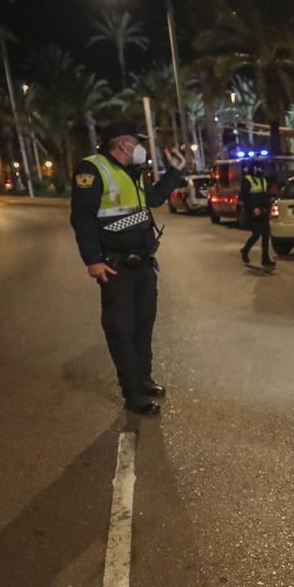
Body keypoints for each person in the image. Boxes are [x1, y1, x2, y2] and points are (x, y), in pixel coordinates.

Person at [69, 121, 186, 416]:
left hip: (143, 262)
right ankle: (132, 393)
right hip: (114, 265)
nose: (141, 148)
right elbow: (82, 217)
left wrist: (176, 172)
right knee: (121, 329)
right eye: (137, 141)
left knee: (144, 324)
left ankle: (143, 378)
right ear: (122, 143)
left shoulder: (131, 173)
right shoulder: (92, 169)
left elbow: (154, 199)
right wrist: (92, 260)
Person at [239, 160, 275, 267]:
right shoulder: (247, 180)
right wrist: (253, 209)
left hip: (263, 211)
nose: (261, 170)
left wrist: (269, 205)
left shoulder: (263, 180)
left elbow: (265, 195)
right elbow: (245, 197)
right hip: (253, 212)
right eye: (259, 168)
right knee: (256, 234)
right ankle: (245, 250)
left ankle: (265, 259)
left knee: (265, 235)